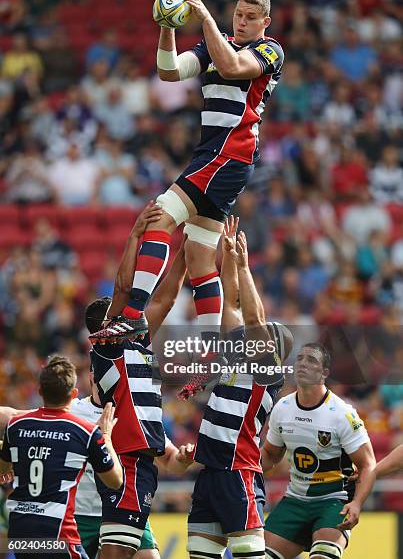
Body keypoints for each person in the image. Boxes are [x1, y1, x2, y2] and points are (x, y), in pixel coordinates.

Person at [89, 0, 284, 345]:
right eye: (239, 14)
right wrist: (168, 27)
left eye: (250, 17)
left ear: (265, 23)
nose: (241, 21)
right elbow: (169, 72)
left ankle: (133, 315)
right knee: (198, 258)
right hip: (214, 154)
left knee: (160, 217)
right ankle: (211, 351)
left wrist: (205, 18)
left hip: (229, 153)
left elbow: (232, 67)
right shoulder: (215, 43)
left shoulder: (269, 50)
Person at [85, 203, 193, 558]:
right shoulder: (107, 348)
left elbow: (165, 297)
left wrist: (188, 252)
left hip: (143, 458)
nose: (133, 314)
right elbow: (123, 288)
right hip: (128, 458)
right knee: (116, 554)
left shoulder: (137, 341)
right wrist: (134, 236)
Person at [184, 219, 293, 559]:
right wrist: (229, 257)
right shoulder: (235, 357)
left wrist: (245, 266)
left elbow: (254, 319)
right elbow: (230, 307)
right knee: (201, 555)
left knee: (250, 556)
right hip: (211, 473)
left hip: (237, 471)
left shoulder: (267, 373)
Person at [0, 370, 193, 559]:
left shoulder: (140, 415)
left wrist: (183, 458)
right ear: (92, 377)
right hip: (79, 516)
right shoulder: (72, 409)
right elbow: (14, 415)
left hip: (123, 509)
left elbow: (170, 460)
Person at [0, 355, 123, 559]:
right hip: (57, 532)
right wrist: (107, 436)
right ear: (73, 394)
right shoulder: (85, 431)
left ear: (40, 392)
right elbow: (115, 481)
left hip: (20, 530)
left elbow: (3, 470)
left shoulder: (16, 426)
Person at [261, 343, 376, 559]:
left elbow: (368, 464)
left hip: (334, 501)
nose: (303, 364)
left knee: (323, 556)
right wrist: (243, 464)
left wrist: (358, 503)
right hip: (294, 500)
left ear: (324, 373)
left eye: (311, 360)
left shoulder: (342, 414)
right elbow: (270, 455)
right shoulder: (282, 408)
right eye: (300, 359)